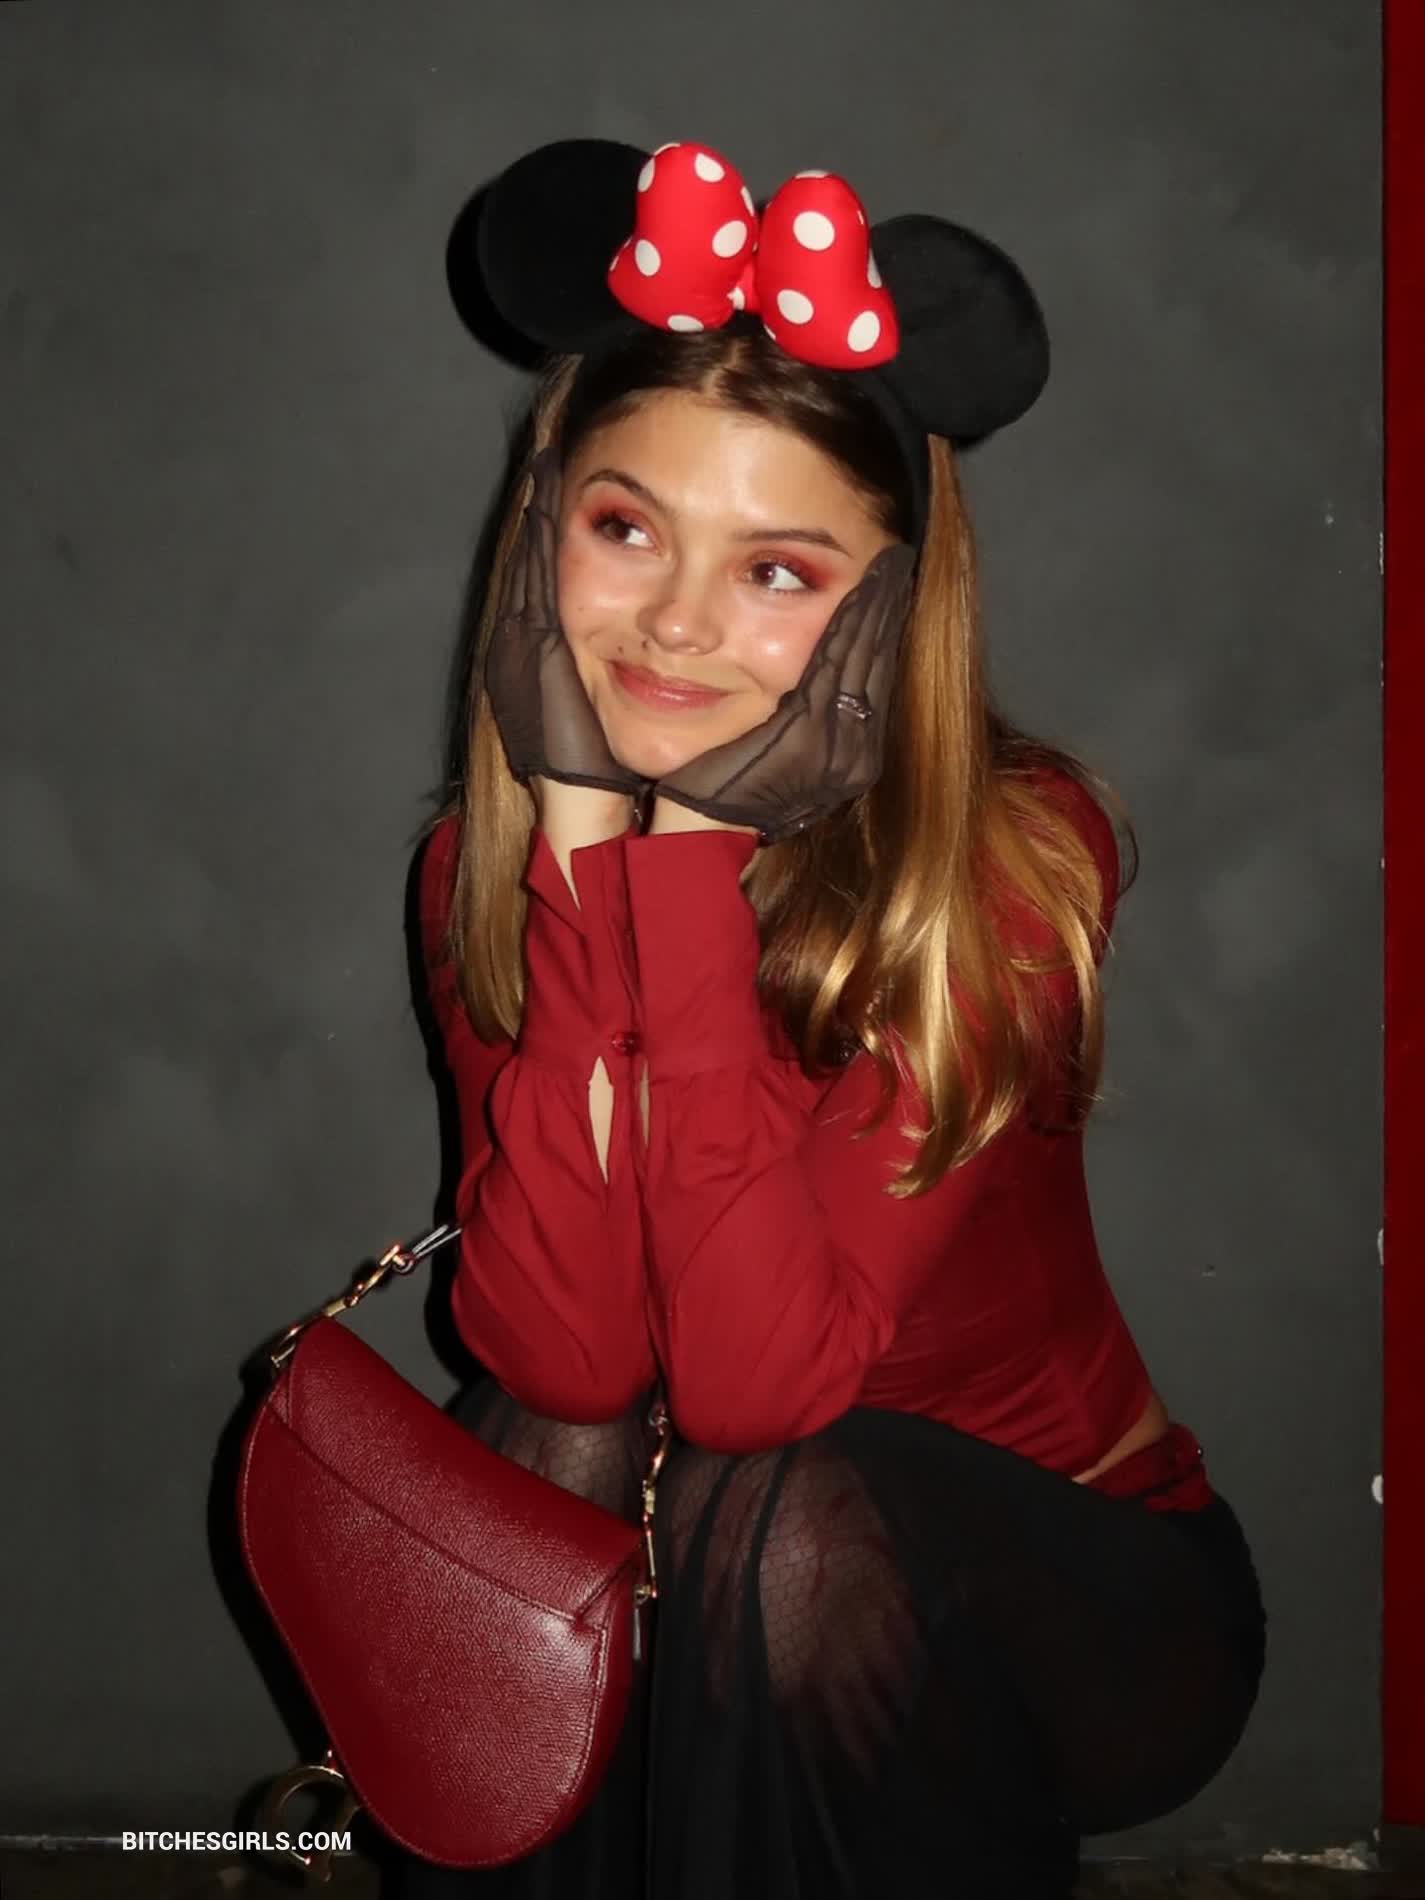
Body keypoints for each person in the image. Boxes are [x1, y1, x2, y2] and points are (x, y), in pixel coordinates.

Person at [398, 139, 1268, 1900]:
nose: (673, 626)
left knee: (777, 1514)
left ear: (889, 609)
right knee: (541, 1448)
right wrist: (576, 852)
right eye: (626, 529)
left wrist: (686, 867)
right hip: (703, 1535)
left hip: (1057, 1600)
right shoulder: (473, 873)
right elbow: (567, 1359)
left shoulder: (1008, 862)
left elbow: (757, 1385)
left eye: (777, 572)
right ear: (543, 530)